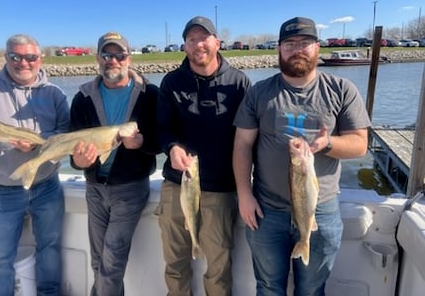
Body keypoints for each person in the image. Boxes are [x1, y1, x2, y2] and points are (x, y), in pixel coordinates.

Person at [232, 16, 371, 296]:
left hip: (321, 209)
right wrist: (244, 195)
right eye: (290, 43)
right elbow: (242, 145)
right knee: (269, 287)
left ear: (317, 48)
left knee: (312, 289)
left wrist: (327, 143)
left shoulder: (342, 90)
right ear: (279, 49)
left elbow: (359, 145)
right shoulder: (260, 92)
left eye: (305, 43)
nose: (297, 49)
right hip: (266, 211)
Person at [0, 34, 70, 296]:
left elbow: (65, 131)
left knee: (50, 248)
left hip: (47, 186)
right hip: (2, 190)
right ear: (6, 57)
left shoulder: (54, 93)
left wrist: (38, 143)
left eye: (30, 57)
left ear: (40, 59)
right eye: (16, 56)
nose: (24, 62)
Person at [157, 16, 251, 296]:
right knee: (175, 263)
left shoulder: (239, 83)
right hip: (178, 183)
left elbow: (248, 137)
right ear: (184, 46)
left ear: (217, 42)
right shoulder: (171, 82)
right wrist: (172, 147)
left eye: (204, 37)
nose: (198, 44)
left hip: (220, 189)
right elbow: (162, 128)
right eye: (192, 39)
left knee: (219, 267)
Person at [69, 31, 160, 296]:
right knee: (98, 262)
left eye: (119, 55)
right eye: (107, 55)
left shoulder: (150, 95)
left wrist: (142, 143)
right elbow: (74, 155)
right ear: (98, 58)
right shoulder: (82, 98)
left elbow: (161, 141)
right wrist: (78, 162)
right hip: (94, 189)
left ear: (128, 58)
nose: (113, 61)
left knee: (111, 263)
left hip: (130, 190)